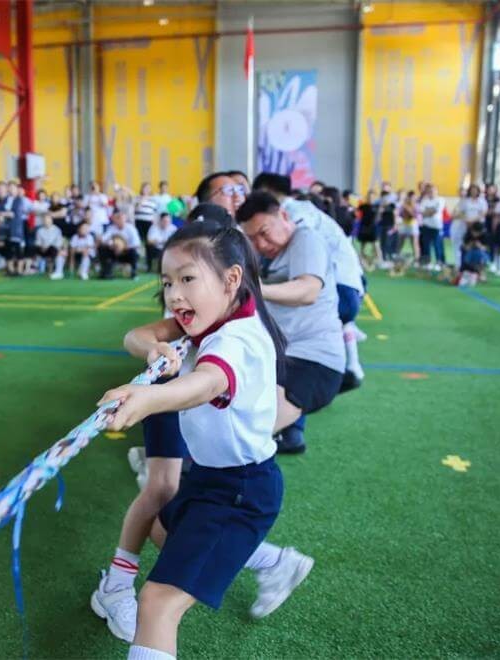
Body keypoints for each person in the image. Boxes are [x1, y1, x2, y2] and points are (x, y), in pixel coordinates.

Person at [94, 221, 312, 656]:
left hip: (241, 490)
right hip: (210, 480)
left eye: (187, 279)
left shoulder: (236, 339)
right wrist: (152, 350)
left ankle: (264, 557)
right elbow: (136, 336)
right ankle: (271, 560)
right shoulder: (216, 314)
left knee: (157, 603)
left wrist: (149, 396)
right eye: (167, 282)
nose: (175, 295)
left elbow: (208, 381)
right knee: (161, 529)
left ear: (232, 279)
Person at [236, 192, 345, 454]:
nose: (261, 243)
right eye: (251, 238)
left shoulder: (306, 239)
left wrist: (257, 290)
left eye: (264, 232)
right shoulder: (271, 253)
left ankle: (178, 471)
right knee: (235, 422)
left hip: (313, 362)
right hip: (282, 357)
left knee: (245, 435)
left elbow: (308, 291)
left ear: (284, 216)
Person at [451, 184, 487, 270]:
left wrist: (473, 221)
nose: (473, 191)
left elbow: (483, 213)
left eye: (475, 190)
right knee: (462, 244)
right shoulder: (465, 201)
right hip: (465, 225)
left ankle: (477, 266)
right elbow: (460, 213)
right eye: (472, 190)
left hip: (477, 227)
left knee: (478, 245)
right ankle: (459, 264)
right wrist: (466, 221)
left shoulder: (482, 201)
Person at [98, 210, 141, 279]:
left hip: (126, 252)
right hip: (114, 252)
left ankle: (134, 273)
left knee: (134, 252)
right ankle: (107, 272)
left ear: (125, 219)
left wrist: (123, 248)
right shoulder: (111, 228)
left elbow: (136, 243)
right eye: (117, 218)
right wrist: (112, 246)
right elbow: (103, 239)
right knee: (102, 249)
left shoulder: (131, 228)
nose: (119, 220)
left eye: (121, 218)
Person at [418, 184, 445, 270]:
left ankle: (439, 262)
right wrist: (429, 211)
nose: (431, 193)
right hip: (426, 226)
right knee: (426, 246)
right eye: (429, 191)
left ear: (436, 191)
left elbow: (436, 211)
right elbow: (421, 212)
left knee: (437, 245)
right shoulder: (424, 201)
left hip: (436, 227)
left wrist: (427, 212)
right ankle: (427, 263)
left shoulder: (440, 200)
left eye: (433, 191)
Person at [34, 212, 66, 280]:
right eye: (45, 220)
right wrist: (42, 246)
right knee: (33, 248)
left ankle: (57, 272)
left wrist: (49, 246)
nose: (46, 221)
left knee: (57, 251)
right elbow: (38, 242)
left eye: (48, 219)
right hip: (43, 249)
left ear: (51, 220)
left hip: (53, 249)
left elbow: (58, 242)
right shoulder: (39, 230)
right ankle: (35, 268)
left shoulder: (57, 230)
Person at [458, 221, 489, 287]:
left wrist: (480, 246)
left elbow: (486, 248)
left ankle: (481, 273)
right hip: (469, 253)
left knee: (482, 257)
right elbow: (464, 247)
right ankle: (465, 273)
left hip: (480, 253)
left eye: (478, 233)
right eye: (475, 232)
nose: (476, 234)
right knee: (466, 256)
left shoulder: (485, 235)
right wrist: (470, 245)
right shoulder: (468, 234)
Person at [356, 190, 379, 268]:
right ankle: (360, 260)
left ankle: (379, 260)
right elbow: (357, 212)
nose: (371, 198)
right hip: (364, 227)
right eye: (369, 196)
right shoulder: (363, 206)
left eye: (372, 197)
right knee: (363, 245)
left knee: (376, 244)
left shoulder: (377, 206)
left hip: (372, 227)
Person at [396, 191, 421, 262]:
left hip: (413, 225)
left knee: (414, 243)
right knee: (400, 242)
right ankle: (397, 257)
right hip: (404, 225)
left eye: (413, 197)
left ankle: (417, 259)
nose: (411, 199)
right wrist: (404, 211)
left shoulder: (416, 205)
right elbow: (400, 214)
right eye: (410, 197)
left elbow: (415, 215)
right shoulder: (403, 205)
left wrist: (408, 209)